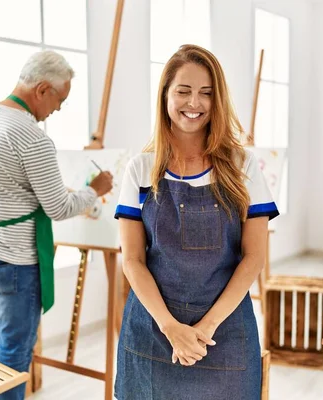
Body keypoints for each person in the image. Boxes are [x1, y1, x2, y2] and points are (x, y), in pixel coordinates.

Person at [114, 44, 280, 399]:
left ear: (217, 99)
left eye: (206, 93)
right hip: (154, 329)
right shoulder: (141, 169)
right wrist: (171, 328)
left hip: (224, 331)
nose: (195, 103)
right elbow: (133, 260)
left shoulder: (242, 165)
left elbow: (253, 258)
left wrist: (205, 328)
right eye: (184, 91)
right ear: (165, 95)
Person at [0, 50, 113, 400]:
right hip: (11, 259)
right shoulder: (30, 136)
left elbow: (6, 186)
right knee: (15, 350)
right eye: (60, 99)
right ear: (42, 89)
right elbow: (57, 207)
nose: (58, 109)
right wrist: (95, 190)